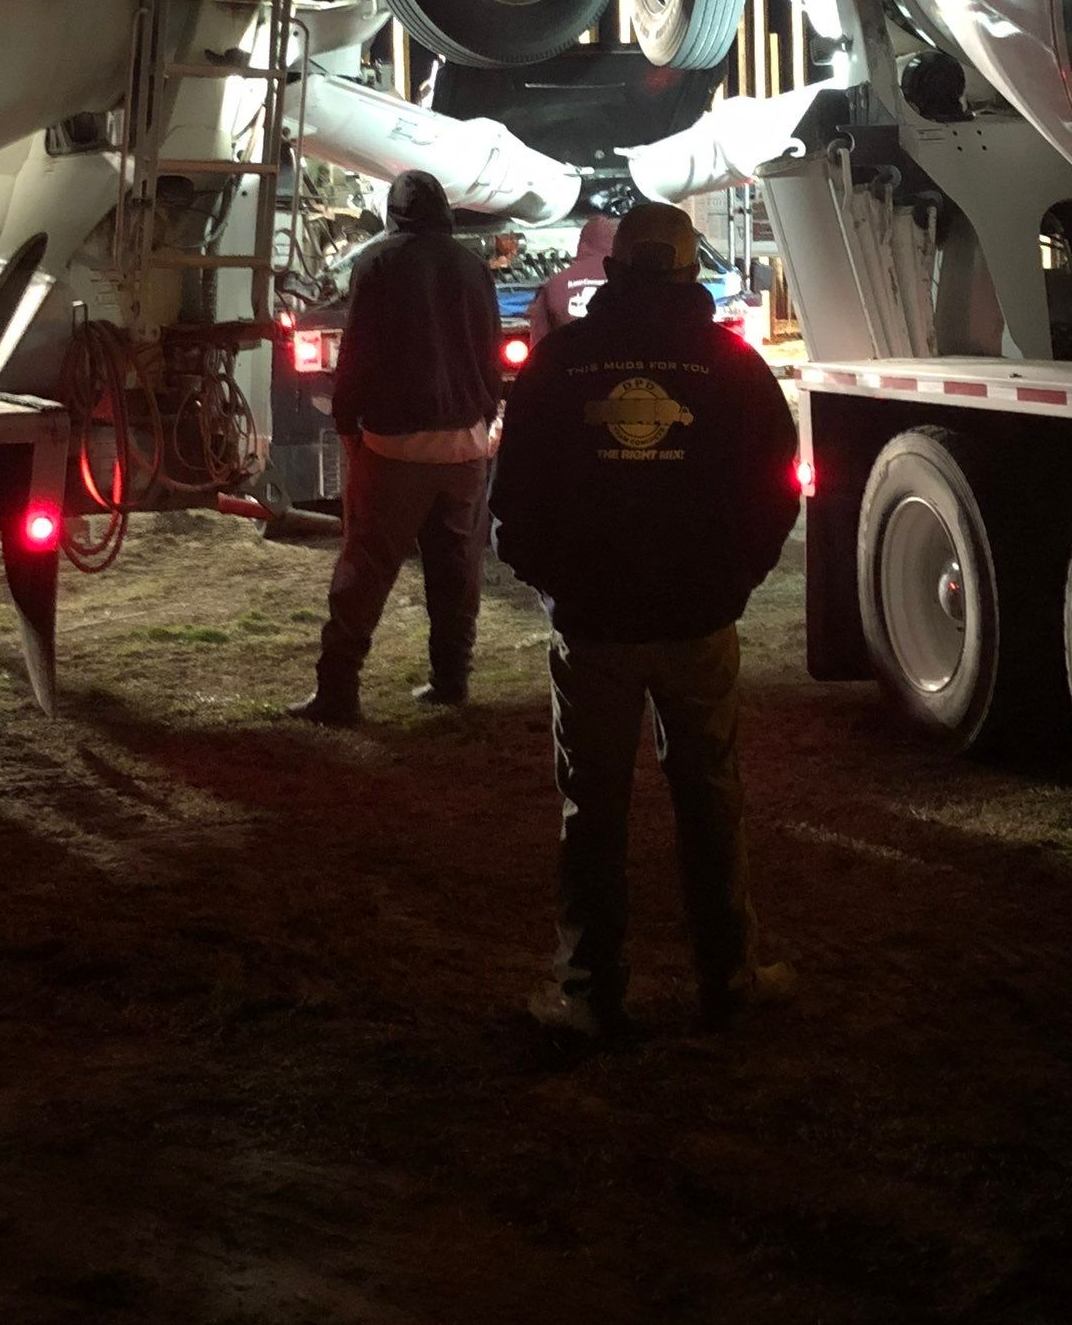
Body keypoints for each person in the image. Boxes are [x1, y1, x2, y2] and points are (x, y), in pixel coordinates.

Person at [491, 199, 800, 1040]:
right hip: (698, 622)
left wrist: (558, 586)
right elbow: (777, 487)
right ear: (692, 268)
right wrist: (733, 582)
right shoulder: (731, 365)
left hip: (593, 630)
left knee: (592, 810)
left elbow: (512, 499)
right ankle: (729, 977)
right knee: (710, 797)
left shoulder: (563, 363)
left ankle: (588, 993)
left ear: (616, 268)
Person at [288, 168, 503, 723]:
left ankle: (338, 691)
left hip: (395, 445)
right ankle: (451, 680)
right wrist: (485, 412)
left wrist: (347, 422)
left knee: (365, 567)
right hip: (465, 445)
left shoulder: (377, 263)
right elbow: (488, 349)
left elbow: (359, 350)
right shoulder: (474, 266)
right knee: (456, 569)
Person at [523, 211, 616, 347]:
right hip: (617, 364)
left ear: (582, 243)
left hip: (570, 364)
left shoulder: (556, 283)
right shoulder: (626, 281)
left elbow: (539, 342)